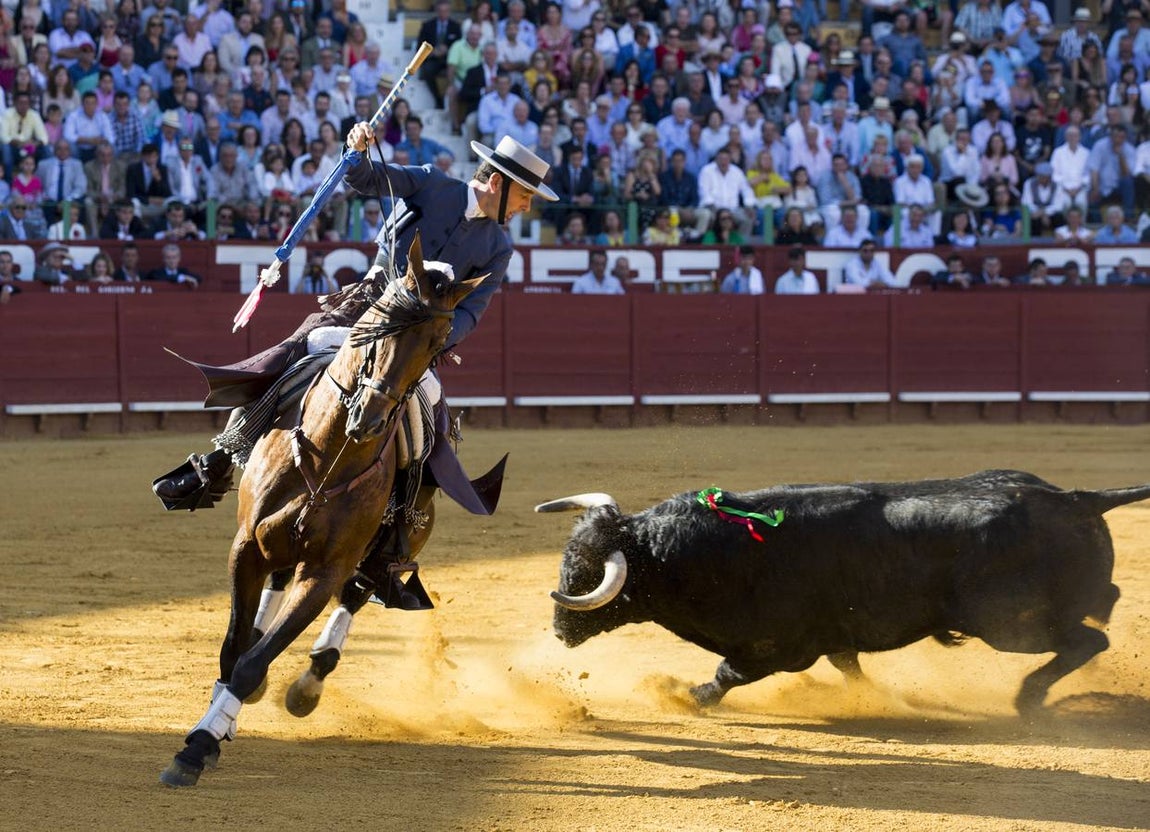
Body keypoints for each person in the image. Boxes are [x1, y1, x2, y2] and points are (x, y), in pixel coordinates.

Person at [151, 130, 558, 516]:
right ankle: (218, 463)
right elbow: (367, 178)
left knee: (434, 417)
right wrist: (357, 148)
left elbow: (471, 312)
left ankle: (402, 522)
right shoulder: (434, 184)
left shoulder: (498, 248)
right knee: (292, 354)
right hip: (369, 302)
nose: (526, 207)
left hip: (418, 336)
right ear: (497, 183)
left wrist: (435, 337)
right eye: (525, 195)